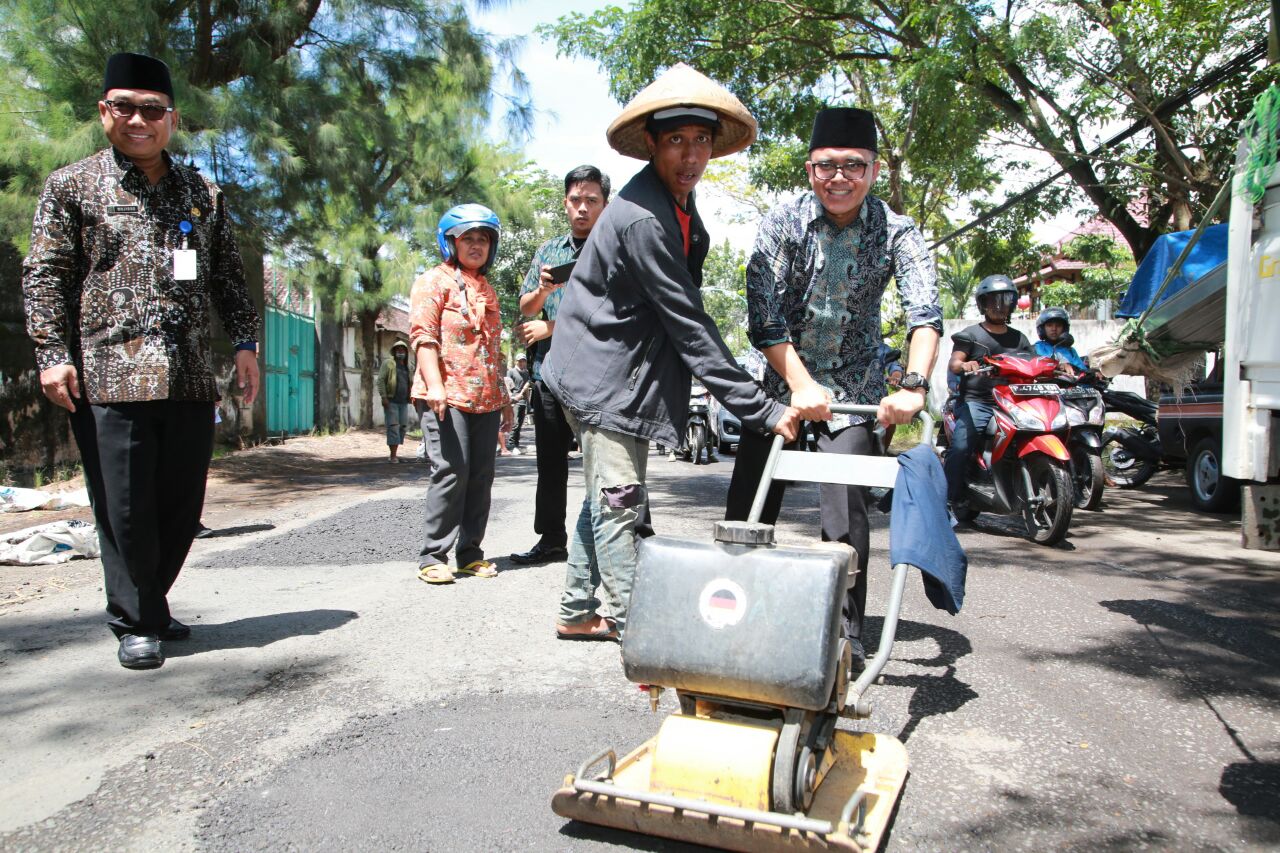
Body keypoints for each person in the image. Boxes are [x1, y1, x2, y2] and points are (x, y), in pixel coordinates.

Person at [541, 63, 800, 640]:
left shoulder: (678, 204)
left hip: (617, 372)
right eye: (676, 140)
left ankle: (577, 613)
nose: (690, 155)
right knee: (619, 499)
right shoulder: (642, 219)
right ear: (652, 144)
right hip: (597, 378)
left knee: (604, 493)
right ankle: (643, 627)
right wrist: (763, 410)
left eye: (701, 141)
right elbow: (689, 326)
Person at [21, 53, 260, 670]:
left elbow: (230, 279)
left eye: (151, 109)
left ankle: (152, 603)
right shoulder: (72, 187)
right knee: (124, 506)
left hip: (185, 375)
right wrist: (51, 354)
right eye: (123, 107)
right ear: (105, 112)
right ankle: (135, 620)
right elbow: (45, 275)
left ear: (171, 120)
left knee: (181, 505)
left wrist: (245, 344)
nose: (137, 120)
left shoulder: (201, 194)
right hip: (108, 375)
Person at [723, 106, 942, 672]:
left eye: (853, 165)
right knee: (749, 507)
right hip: (779, 385)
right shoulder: (781, 224)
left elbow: (924, 312)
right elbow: (764, 317)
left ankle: (846, 634)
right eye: (826, 166)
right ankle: (729, 612)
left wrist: (914, 385)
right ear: (809, 169)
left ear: (872, 170)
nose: (838, 178)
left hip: (854, 392)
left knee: (845, 509)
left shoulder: (899, 231)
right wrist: (798, 386)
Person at [509, 165, 612, 567]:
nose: (582, 209)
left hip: (598, 375)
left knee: (607, 463)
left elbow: (614, 313)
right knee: (550, 464)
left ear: (606, 204)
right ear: (565, 203)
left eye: (591, 201)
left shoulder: (615, 250)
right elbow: (524, 307)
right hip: (547, 374)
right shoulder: (548, 251)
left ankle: (624, 538)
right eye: (575, 200)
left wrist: (552, 325)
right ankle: (552, 540)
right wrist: (542, 291)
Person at [410, 204, 514, 584]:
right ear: (449, 242)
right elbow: (422, 336)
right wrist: (435, 385)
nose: (476, 245)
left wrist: (503, 398)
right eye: (467, 238)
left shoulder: (486, 288)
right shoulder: (432, 281)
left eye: (483, 239)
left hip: (484, 396)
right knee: (452, 471)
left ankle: (470, 553)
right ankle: (432, 555)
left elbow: (492, 349)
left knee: (481, 476)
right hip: (446, 394)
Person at [944, 275, 1033, 505]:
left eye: (1005, 300)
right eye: (993, 300)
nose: (999, 306)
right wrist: (965, 364)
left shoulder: (1019, 338)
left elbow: (1034, 363)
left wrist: (1058, 366)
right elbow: (955, 362)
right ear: (983, 304)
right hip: (979, 402)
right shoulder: (971, 335)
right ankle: (949, 499)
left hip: (1013, 402)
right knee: (961, 447)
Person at [1032, 307, 1092, 376]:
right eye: (1049, 325)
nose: (1054, 329)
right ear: (1042, 328)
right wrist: (1057, 366)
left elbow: (1083, 372)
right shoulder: (1035, 348)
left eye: (1058, 325)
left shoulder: (1070, 351)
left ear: (1064, 329)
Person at [378, 340, 412, 462]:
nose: (400, 351)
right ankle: (393, 456)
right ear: (394, 351)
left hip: (403, 402)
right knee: (393, 427)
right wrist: (384, 397)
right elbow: (380, 380)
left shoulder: (407, 366)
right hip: (391, 401)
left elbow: (409, 382)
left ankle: (396, 453)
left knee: (402, 427)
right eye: (398, 349)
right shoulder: (388, 363)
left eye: (403, 349)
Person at [505, 355, 531, 454]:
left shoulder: (526, 373)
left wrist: (528, 402)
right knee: (515, 423)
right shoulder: (511, 372)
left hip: (523, 401)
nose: (522, 363)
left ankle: (516, 443)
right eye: (520, 361)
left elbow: (527, 388)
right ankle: (511, 445)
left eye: (523, 361)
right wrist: (511, 398)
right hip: (514, 400)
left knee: (520, 424)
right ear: (516, 361)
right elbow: (507, 385)